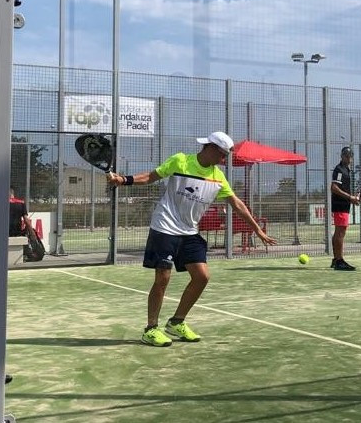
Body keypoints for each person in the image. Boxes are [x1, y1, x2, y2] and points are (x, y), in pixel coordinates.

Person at [107, 131, 277, 347]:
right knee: (163, 278)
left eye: (225, 156)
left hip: (189, 231)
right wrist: (124, 180)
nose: (223, 160)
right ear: (210, 148)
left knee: (202, 276)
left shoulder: (218, 177)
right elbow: (152, 176)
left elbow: (237, 204)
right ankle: (151, 329)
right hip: (165, 226)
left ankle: (176, 322)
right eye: (222, 154)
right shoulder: (180, 161)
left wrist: (258, 230)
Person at [330, 146, 359, 271]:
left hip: (343, 205)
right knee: (340, 232)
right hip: (340, 205)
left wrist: (352, 198)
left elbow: (342, 188)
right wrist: (350, 197)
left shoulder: (346, 170)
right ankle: (339, 261)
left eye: (350, 156)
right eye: (346, 156)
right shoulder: (340, 170)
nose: (349, 158)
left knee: (339, 232)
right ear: (342, 156)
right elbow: (334, 187)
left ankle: (336, 259)